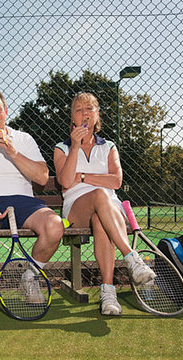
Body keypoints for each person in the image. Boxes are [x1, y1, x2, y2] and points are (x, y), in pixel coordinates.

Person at [53, 92, 156, 316]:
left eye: (89, 109)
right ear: (72, 117)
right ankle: (131, 258)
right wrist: (76, 146)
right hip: (75, 209)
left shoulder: (108, 146)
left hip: (109, 208)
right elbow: (64, 181)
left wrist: (82, 177)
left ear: (97, 115)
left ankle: (108, 293)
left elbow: (116, 181)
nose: (84, 114)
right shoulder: (62, 148)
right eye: (78, 110)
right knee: (101, 194)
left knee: (101, 218)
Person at [0, 88, 64, 304]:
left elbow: (43, 177)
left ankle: (30, 277)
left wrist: (13, 152)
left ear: (6, 111)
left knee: (54, 225)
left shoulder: (23, 139)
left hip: (25, 203)